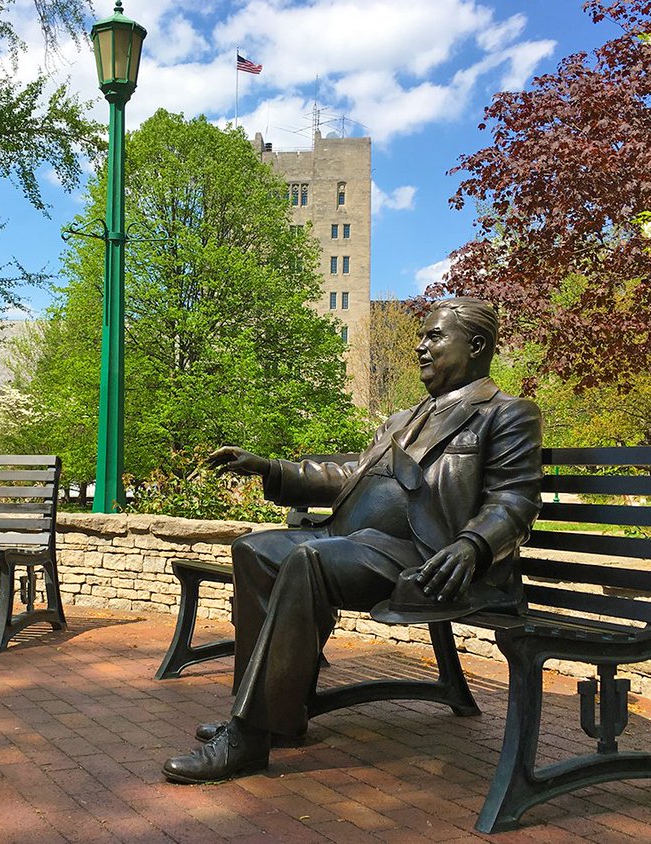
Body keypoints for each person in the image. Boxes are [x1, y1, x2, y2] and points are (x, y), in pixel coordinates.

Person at [162, 297, 543, 785]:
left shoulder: (506, 415)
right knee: (253, 549)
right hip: (354, 540)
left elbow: (514, 500)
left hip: (423, 555)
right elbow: (349, 474)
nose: (420, 347)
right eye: (421, 337)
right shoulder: (405, 418)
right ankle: (280, 712)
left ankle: (249, 734)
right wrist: (271, 468)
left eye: (434, 337)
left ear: (477, 345)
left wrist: (473, 545)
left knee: (308, 558)